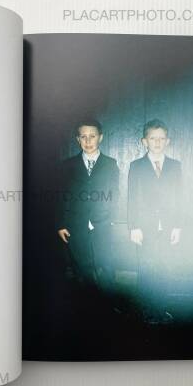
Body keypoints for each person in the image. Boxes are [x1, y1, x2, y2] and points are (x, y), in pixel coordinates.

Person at [127, 119, 182, 324]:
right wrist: (134, 227)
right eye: (153, 138)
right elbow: (132, 198)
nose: (157, 142)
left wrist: (178, 226)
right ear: (144, 141)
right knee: (146, 270)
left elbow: (180, 198)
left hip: (168, 227)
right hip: (144, 228)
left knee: (165, 268)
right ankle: (147, 311)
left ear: (167, 141)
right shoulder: (136, 166)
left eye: (161, 138)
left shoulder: (175, 166)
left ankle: (161, 309)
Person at [57, 120, 119, 294]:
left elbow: (115, 193)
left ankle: (108, 303)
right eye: (83, 137)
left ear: (101, 137)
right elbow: (62, 196)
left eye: (92, 136)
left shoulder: (110, 164)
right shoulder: (68, 165)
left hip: (103, 224)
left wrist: (111, 219)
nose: (88, 141)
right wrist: (61, 224)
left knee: (106, 266)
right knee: (82, 269)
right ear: (78, 139)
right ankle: (86, 303)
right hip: (76, 225)